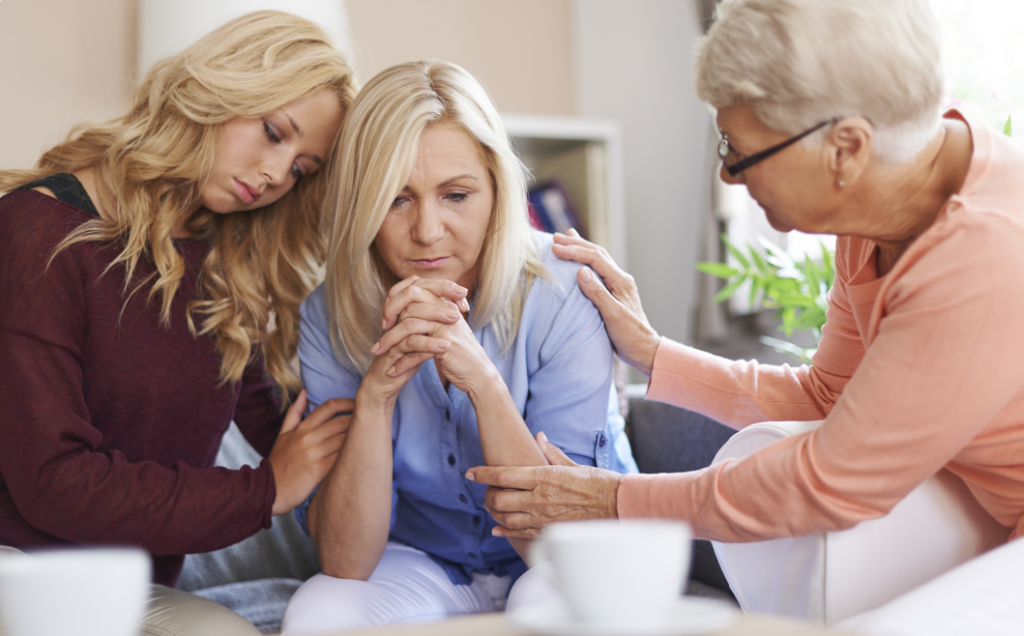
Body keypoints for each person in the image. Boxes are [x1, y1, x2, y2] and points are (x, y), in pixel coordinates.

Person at [469, 0, 1024, 552]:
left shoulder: (983, 255)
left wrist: (611, 499)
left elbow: (828, 482)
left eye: (740, 150)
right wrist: (652, 352)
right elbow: (826, 395)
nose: (726, 175)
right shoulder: (883, 203)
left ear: (847, 149)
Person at [0, 11, 358, 636]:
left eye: (302, 169)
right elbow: (54, 484)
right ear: (218, 91)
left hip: (121, 584)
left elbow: (282, 423)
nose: (278, 174)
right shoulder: (37, 236)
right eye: (274, 132)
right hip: (21, 567)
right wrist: (267, 490)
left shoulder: (219, 263)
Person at [280, 60, 636, 634]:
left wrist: (484, 382)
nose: (426, 230)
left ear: (497, 189)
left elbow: (563, 550)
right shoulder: (330, 311)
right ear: (362, 204)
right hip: (427, 561)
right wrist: (376, 396)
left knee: (551, 608)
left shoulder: (568, 291)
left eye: (455, 195)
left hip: (565, 557)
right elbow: (345, 562)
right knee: (321, 611)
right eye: (396, 199)